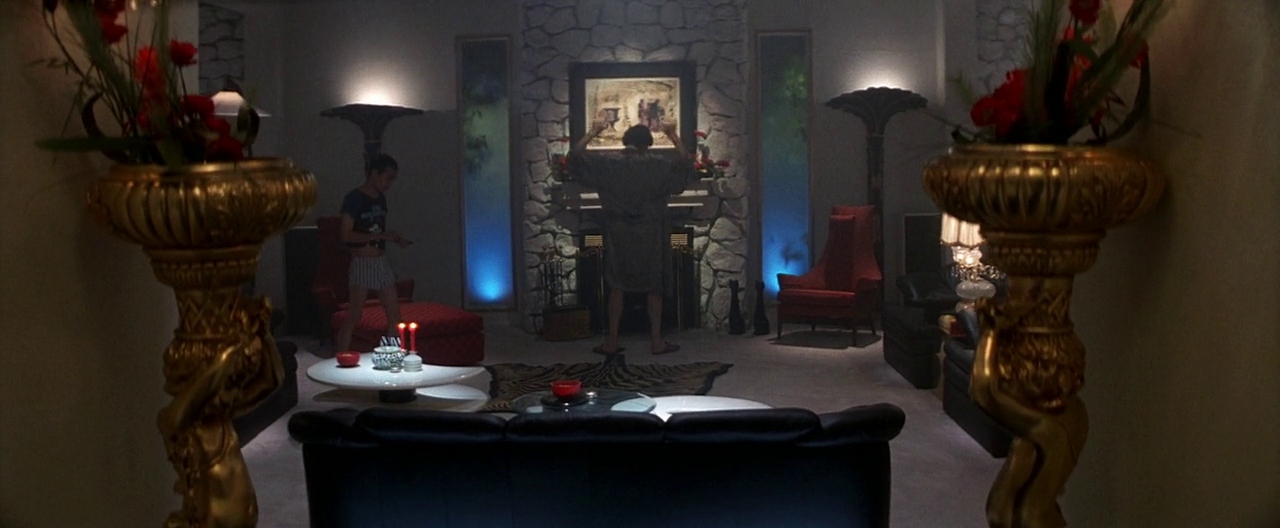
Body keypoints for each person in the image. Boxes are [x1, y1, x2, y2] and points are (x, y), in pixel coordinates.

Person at [569, 122, 694, 355]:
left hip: (618, 232)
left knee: (617, 285)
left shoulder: (608, 164)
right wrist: (672, 134)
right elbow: (685, 163)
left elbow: (574, 158)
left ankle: (612, 341)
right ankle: (656, 341)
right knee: (654, 286)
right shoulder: (659, 165)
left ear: (626, 140)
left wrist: (593, 132)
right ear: (648, 143)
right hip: (651, 231)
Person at [333, 153, 413, 354]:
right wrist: (379, 236)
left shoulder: (381, 199)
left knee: (394, 315)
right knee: (355, 314)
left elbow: (378, 230)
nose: (389, 184)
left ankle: (394, 355)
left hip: (380, 261)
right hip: (362, 261)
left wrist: (393, 237)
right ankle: (340, 356)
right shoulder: (354, 198)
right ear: (374, 174)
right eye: (387, 178)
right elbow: (346, 234)